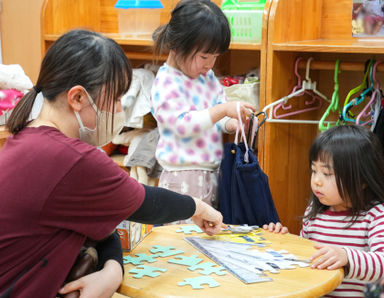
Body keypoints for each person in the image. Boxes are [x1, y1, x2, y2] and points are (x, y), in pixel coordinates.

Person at [0, 29, 224, 298]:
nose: (120, 110)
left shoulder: (28, 136)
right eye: (116, 98)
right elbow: (147, 204)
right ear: (78, 98)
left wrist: (113, 269)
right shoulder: (73, 159)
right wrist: (197, 207)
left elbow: (108, 224)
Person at [150, 0, 255, 217]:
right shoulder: (166, 82)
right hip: (181, 180)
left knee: (209, 237)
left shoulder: (205, 77)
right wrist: (223, 110)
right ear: (177, 46)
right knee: (184, 243)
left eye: (215, 57)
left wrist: (235, 123)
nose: (209, 64)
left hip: (213, 174)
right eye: (204, 57)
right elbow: (183, 125)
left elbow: (217, 112)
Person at [263, 125, 384, 297]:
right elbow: (306, 256)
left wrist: (347, 257)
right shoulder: (315, 212)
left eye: (327, 173)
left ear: (362, 180)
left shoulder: (375, 215)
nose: (316, 181)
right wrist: (283, 241)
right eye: (314, 171)